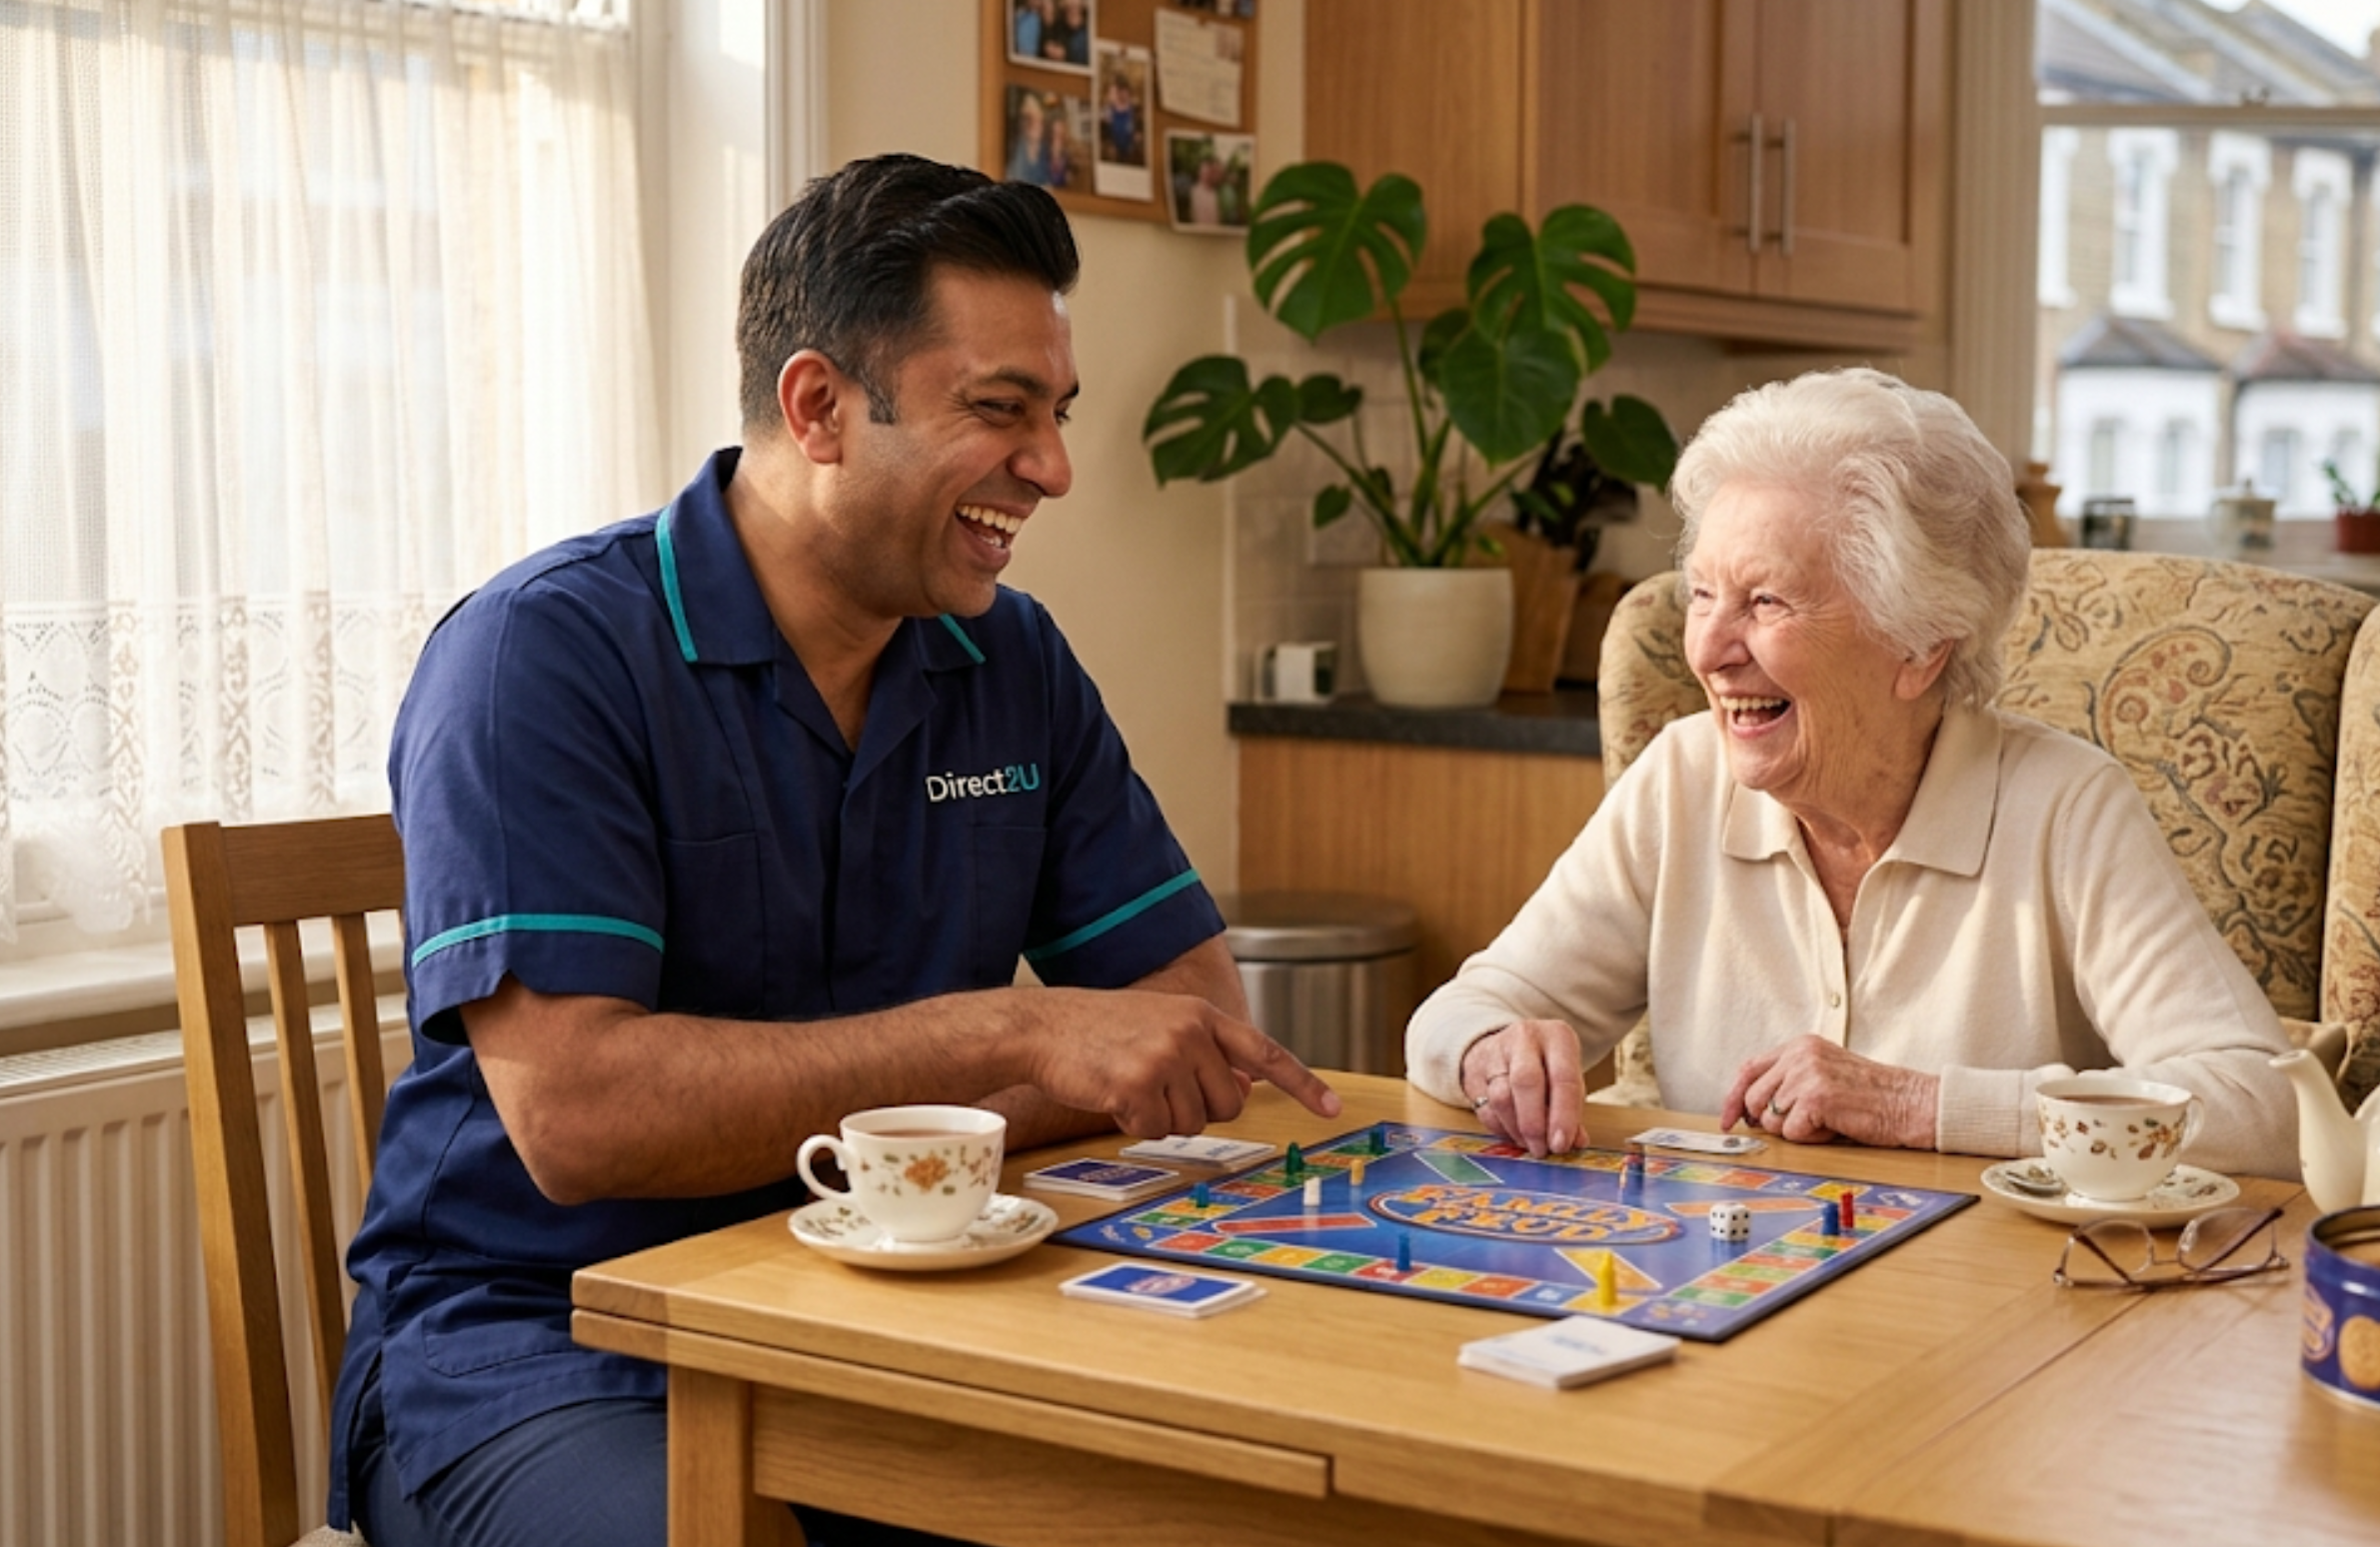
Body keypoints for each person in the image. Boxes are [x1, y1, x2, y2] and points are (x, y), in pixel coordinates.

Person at [332, 154, 1340, 1547]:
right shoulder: (538, 658)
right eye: (999, 411)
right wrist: (1017, 1037)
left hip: (893, 1315)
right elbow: (581, 1119)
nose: (1050, 468)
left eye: (1055, 414)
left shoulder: (1011, 657)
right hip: (544, 1350)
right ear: (817, 407)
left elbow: (1183, 1032)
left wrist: (982, 1077)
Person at [1404, 367, 2297, 1178]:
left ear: (1919, 649)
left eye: (1766, 601)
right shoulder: (1681, 778)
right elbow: (1463, 1011)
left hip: (1988, 1323)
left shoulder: (2065, 809)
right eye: (1703, 595)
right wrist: (1493, 1049)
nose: (1709, 650)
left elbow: (2262, 1107)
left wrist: (1920, 1105)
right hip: (1720, 1296)